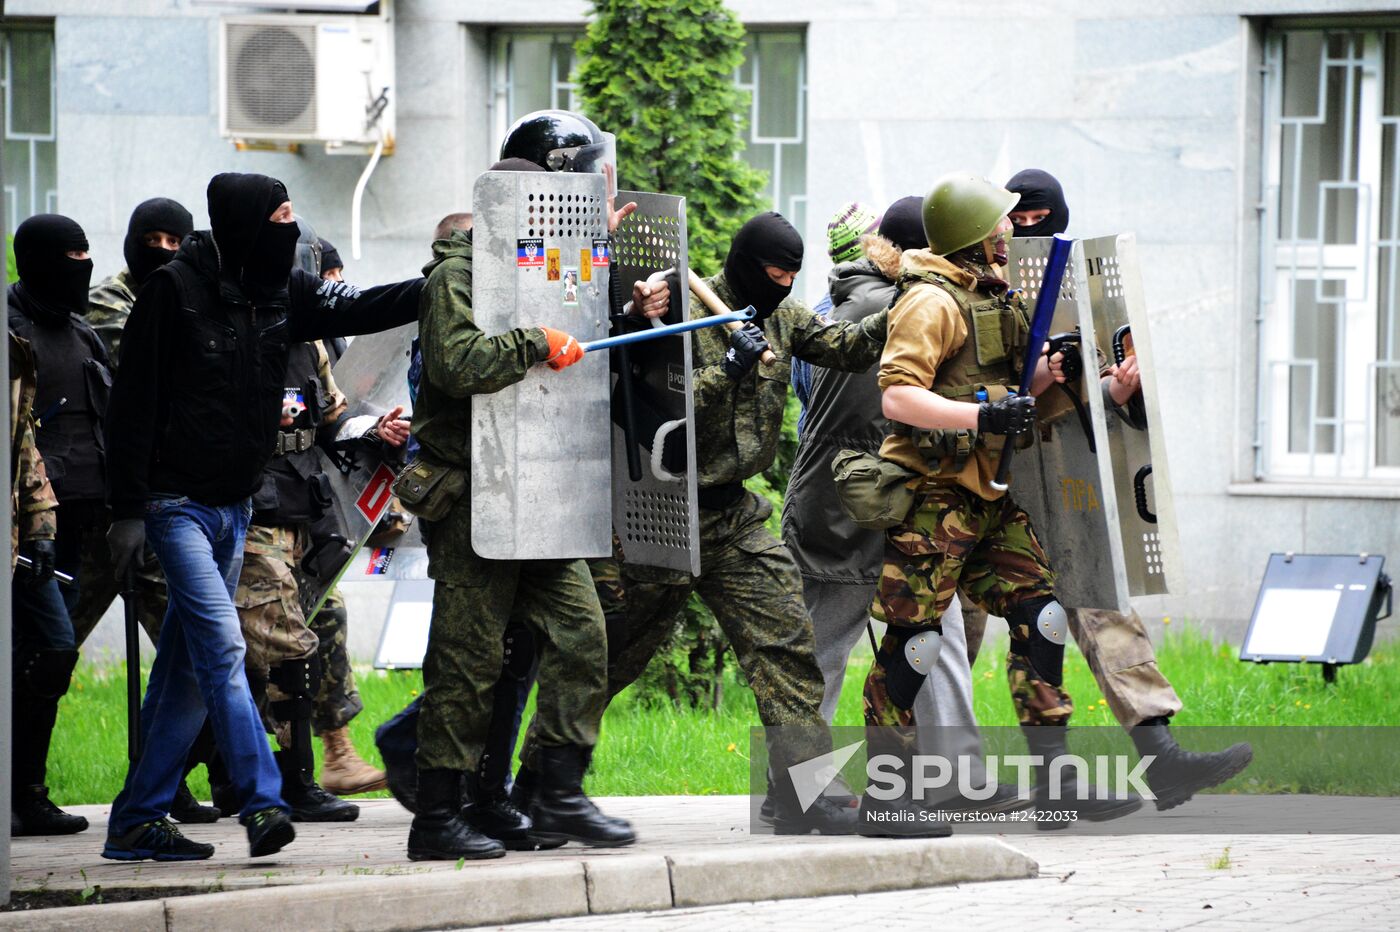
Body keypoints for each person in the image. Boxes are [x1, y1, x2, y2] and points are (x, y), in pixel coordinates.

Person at [522, 209, 890, 836]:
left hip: (734, 516)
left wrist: (913, 304)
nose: (782, 285)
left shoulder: (784, 316)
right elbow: (658, 408)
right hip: (661, 511)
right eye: (773, 273)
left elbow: (850, 348)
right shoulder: (681, 311)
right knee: (607, 654)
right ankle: (542, 786)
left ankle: (804, 792)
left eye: (792, 276)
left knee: (786, 640)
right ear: (748, 265)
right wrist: (732, 367)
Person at [100, 172, 424, 862]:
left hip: (233, 503)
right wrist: (127, 512)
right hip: (174, 506)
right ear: (248, 224)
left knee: (186, 670)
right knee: (222, 646)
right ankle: (262, 797)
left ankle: (135, 820)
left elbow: (365, 306)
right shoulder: (173, 293)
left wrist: (451, 276)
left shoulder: (284, 291)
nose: (292, 225)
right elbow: (130, 408)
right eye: (282, 214)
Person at [406, 112, 658, 861]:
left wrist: (596, 254)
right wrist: (533, 342)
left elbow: (570, 320)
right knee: (468, 661)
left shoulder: (534, 261)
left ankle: (556, 792)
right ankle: (439, 815)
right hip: (474, 494)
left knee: (584, 635)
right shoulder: (457, 274)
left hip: (540, 494)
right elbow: (457, 365)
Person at [862, 172, 1143, 831]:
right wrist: (981, 417)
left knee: (1041, 618)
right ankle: (886, 795)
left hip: (986, 496)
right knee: (914, 645)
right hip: (931, 497)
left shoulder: (989, 292)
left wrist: (1049, 375)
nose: (1011, 231)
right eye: (1001, 224)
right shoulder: (928, 303)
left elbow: (1013, 383)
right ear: (972, 236)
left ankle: (1056, 784)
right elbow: (898, 398)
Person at [998, 167, 1253, 809]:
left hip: (1070, 480)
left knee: (1104, 609)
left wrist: (1111, 389)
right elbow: (982, 396)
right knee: (981, 636)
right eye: (1018, 221)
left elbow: (1095, 391)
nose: (1029, 232)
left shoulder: (1084, 282)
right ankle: (936, 778)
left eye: (1040, 219)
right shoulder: (984, 286)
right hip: (994, 487)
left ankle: (1159, 759)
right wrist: (1040, 377)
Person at [221, 215, 402, 822]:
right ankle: (272, 778)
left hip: (303, 507)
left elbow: (332, 416)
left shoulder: (313, 343)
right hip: (245, 509)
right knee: (274, 641)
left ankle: (325, 758)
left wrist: (375, 429)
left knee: (316, 622)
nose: (333, 286)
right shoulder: (236, 329)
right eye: (323, 276)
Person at [7, 317, 81, 836]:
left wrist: (40, 527)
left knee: (54, 648)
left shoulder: (14, 352)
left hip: (19, 544)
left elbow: (24, 444)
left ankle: (28, 793)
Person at [87, 198, 194, 364]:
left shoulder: (187, 300)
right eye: (152, 239)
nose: (163, 249)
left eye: (173, 242)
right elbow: (143, 367)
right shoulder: (105, 300)